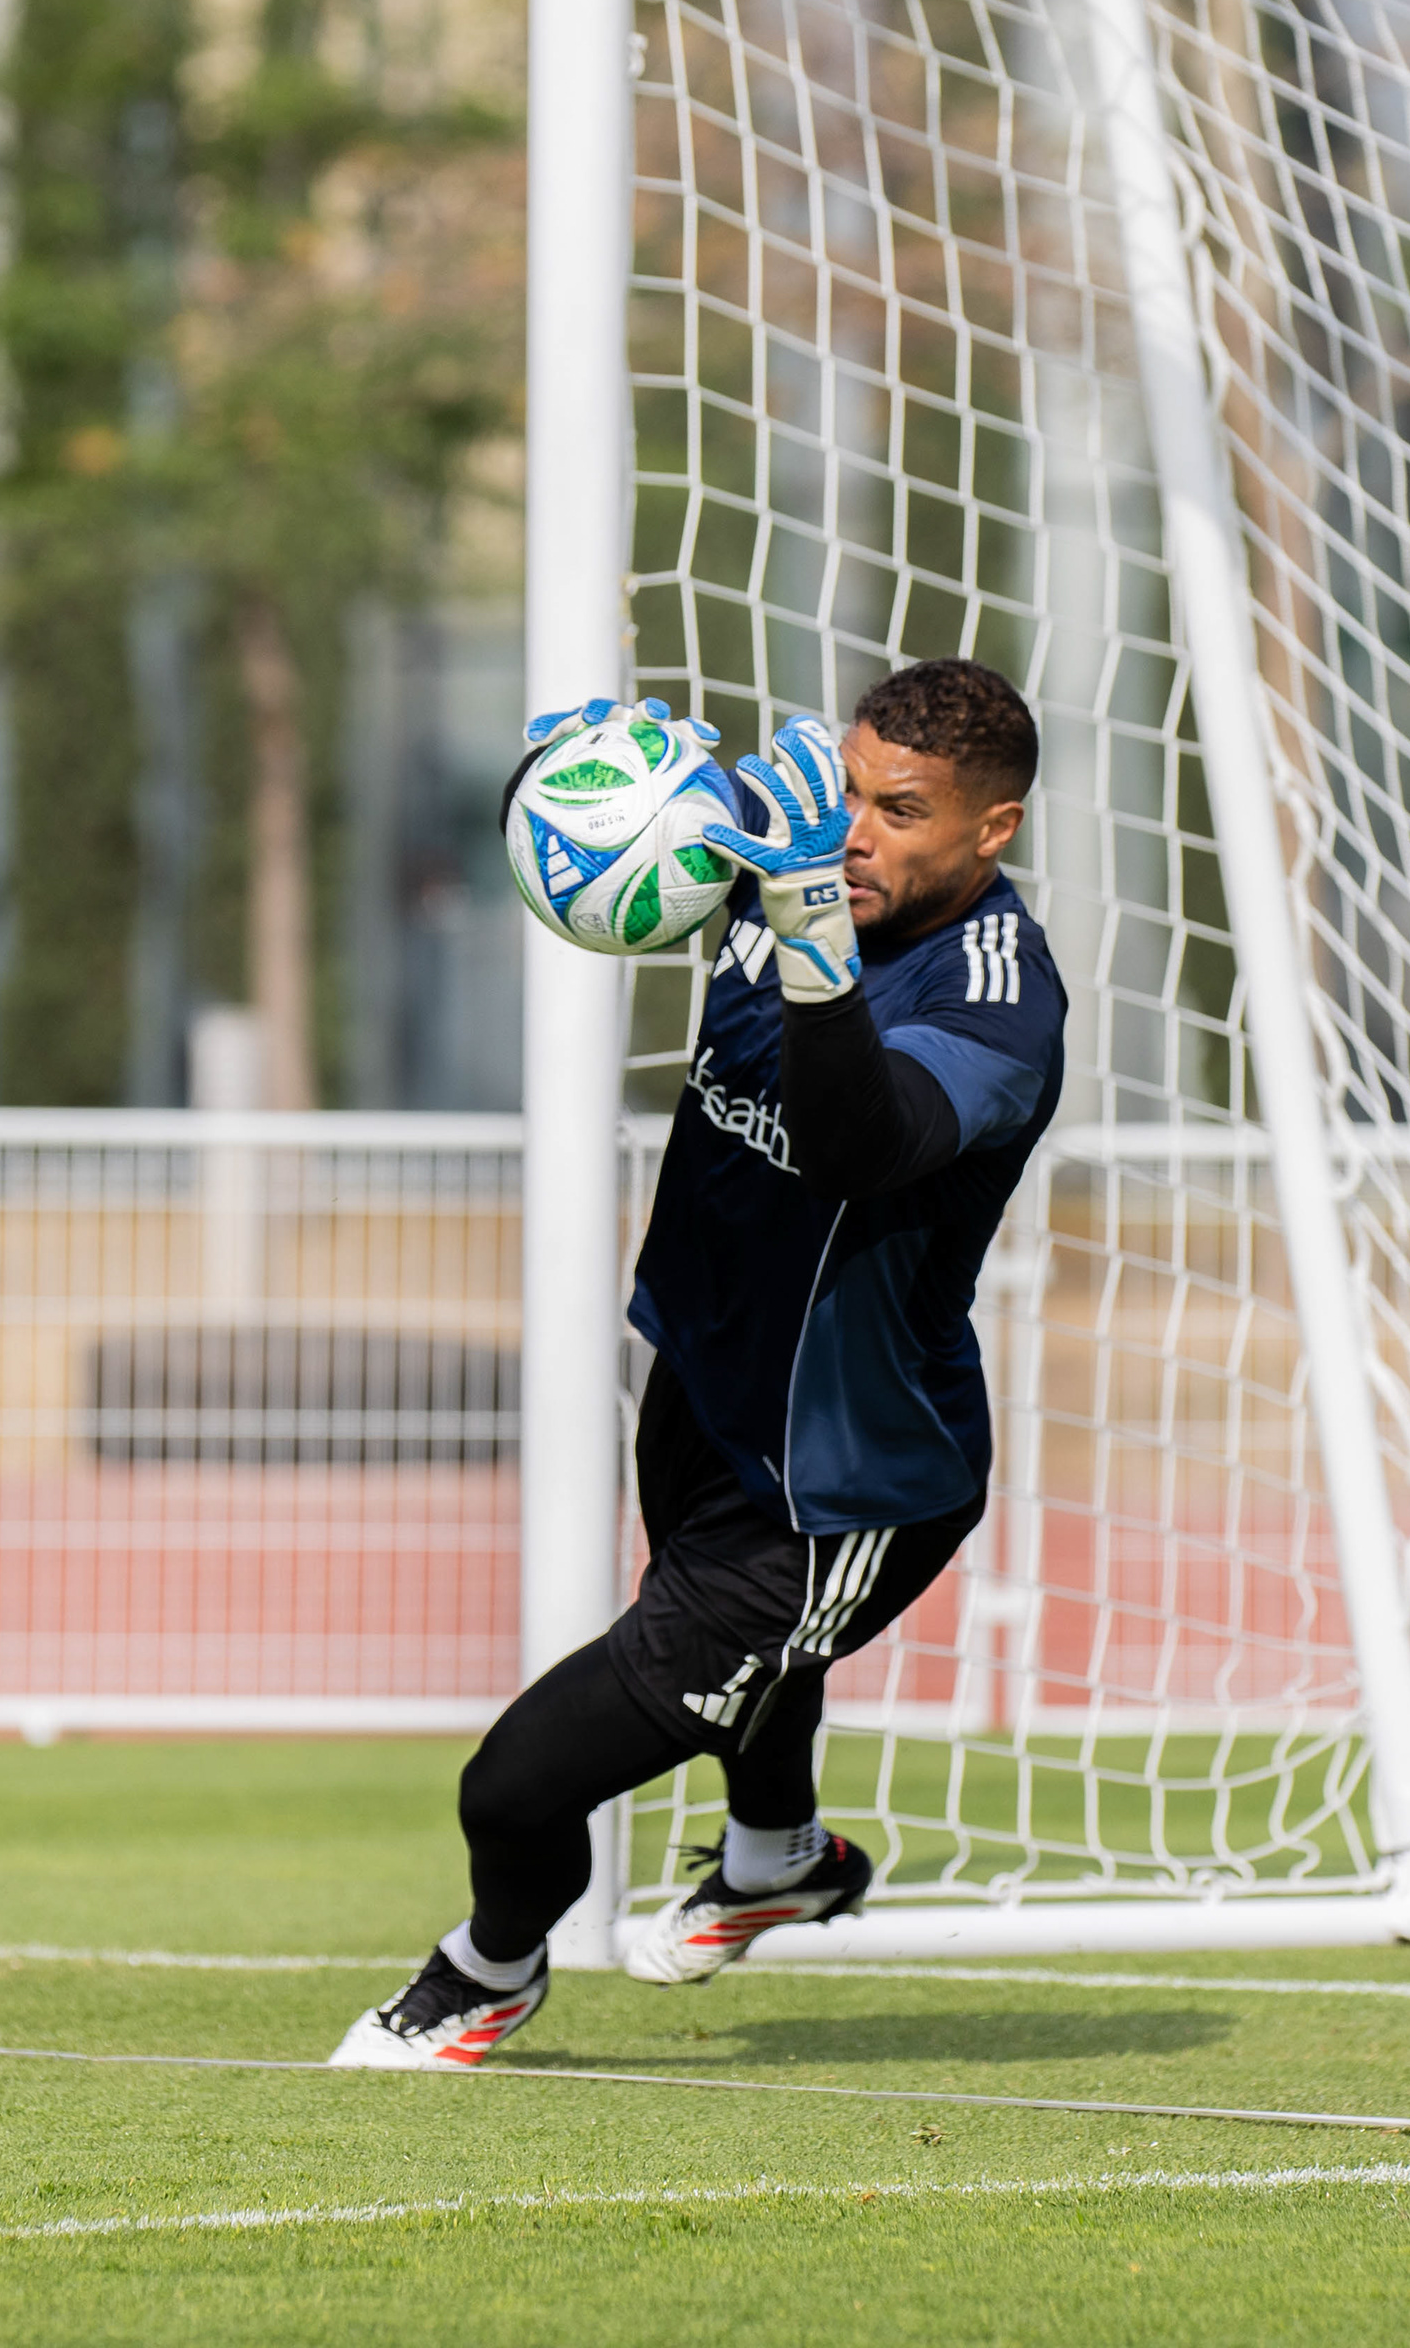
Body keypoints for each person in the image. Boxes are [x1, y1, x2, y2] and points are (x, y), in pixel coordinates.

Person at [332, 658, 1066, 2068]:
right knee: (755, 1681)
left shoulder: (996, 999)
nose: (853, 830)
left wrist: (803, 927)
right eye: (849, 789)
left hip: (837, 1486)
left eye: (900, 811)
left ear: (993, 832)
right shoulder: (801, 847)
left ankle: (487, 1969)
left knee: (518, 1785)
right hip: (703, 1382)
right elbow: (613, 833)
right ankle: (778, 1853)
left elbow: (863, 1140)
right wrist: (582, 777)